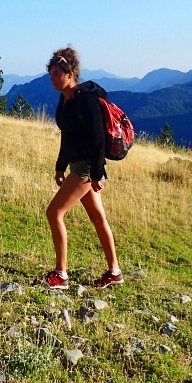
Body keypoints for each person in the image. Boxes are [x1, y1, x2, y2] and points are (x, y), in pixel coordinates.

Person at [43, 46, 123, 290]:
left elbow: (98, 139)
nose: (52, 79)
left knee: (54, 213)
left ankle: (61, 275)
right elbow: (67, 136)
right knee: (98, 219)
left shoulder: (86, 100)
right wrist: (60, 167)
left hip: (87, 167)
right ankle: (115, 272)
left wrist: (97, 174)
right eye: (51, 74)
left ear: (70, 74)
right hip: (79, 165)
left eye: (56, 73)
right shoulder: (65, 100)